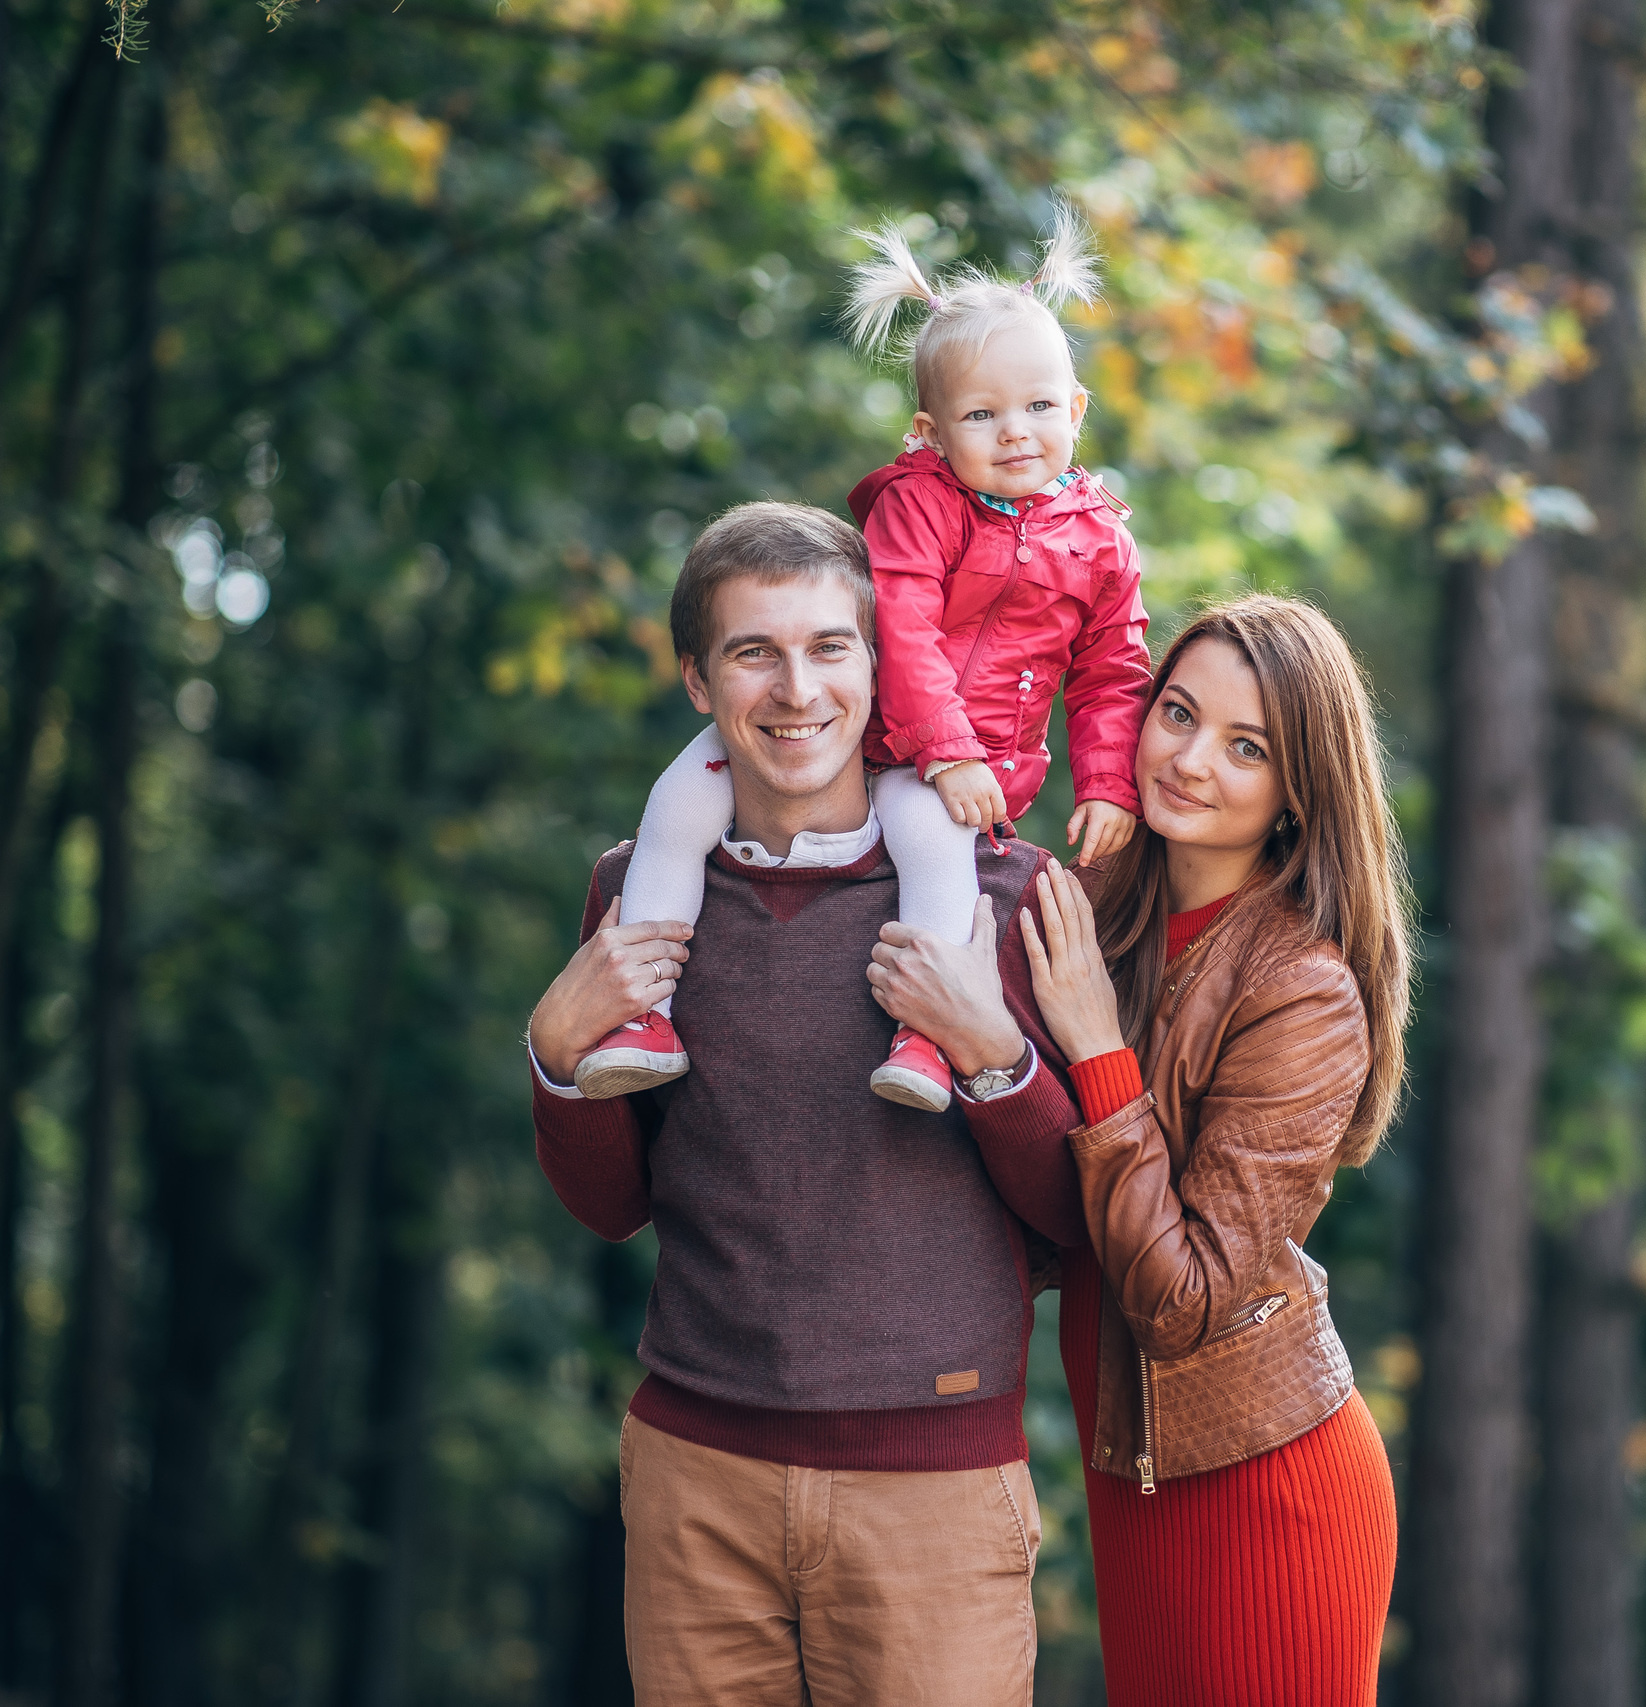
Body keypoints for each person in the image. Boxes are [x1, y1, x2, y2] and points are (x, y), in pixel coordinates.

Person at [525, 501, 1093, 1707]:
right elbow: (612, 1205)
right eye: (754, 653)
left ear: (882, 666)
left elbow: (1072, 1220)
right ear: (698, 681)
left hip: (934, 1490)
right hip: (695, 1478)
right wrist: (556, 1053)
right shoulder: (636, 895)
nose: (797, 691)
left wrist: (991, 1054)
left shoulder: (1008, 893)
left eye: (831, 647)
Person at [875, 593, 1411, 1705]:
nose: (1191, 760)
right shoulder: (1094, 912)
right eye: (1178, 713)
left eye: (1247, 746)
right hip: (1135, 1472)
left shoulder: (1302, 991)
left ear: (1299, 791)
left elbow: (1181, 1299)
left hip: (1266, 1486)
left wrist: (1092, 1047)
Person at [575, 206, 1155, 1114]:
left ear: (1076, 408)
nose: (1015, 431)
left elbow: (1112, 669)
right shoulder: (919, 506)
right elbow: (905, 628)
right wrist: (948, 747)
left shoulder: (1102, 541)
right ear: (931, 430)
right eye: (982, 414)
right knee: (678, 805)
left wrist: (1109, 783)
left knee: (935, 848)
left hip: (952, 769)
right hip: (887, 734)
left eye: (1040, 406)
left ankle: (927, 1033)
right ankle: (642, 1016)